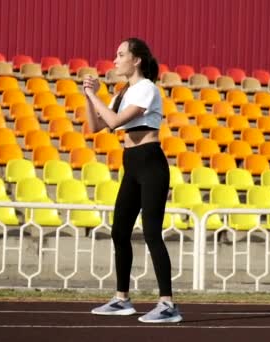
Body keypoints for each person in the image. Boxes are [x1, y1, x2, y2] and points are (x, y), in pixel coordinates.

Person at [84, 38, 182, 324]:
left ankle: (167, 304)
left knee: (151, 233)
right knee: (119, 231)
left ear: (136, 59)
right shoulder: (123, 92)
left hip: (151, 162)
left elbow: (114, 122)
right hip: (132, 164)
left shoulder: (147, 88)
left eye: (121, 54)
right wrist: (88, 95)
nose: (115, 60)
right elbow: (96, 126)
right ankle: (122, 299)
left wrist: (95, 96)